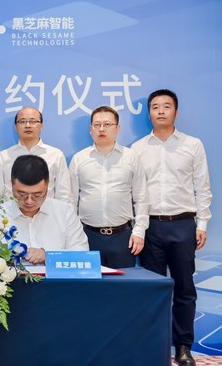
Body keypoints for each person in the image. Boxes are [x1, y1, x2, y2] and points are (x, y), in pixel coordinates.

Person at [131, 89, 212, 366]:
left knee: (185, 289)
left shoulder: (192, 145)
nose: (161, 111)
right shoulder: (138, 148)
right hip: (151, 227)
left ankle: (183, 347)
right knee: (154, 289)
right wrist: (139, 228)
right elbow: (135, 192)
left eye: (166, 106)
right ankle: (155, 345)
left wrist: (202, 223)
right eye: (155, 107)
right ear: (149, 114)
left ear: (176, 111)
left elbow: (202, 187)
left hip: (183, 225)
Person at [69, 106, 148, 269]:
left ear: (117, 128)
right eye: (97, 125)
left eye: (107, 124)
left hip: (123, 237)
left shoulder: (131, 157)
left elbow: (141, 198)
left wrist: (139, 231)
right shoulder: (79, 159)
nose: (102, 129)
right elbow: (70, 200)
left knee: (123, 283)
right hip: (87, 236)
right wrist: (73, 235)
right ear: (90, 129)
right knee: (89, 283)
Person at [2, 155, 88, 265]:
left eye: (37, 195)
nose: (29, 201)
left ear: (47, 188)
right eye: (22, 194)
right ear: (12, 186)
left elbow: (82, 254)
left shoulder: (64, 212)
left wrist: (48, 256)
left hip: (54, 276)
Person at [0, 107, 72, 203]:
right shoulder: (3, 156)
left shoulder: (56, 155)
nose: (28, 125)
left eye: (33, 121)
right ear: (16, 127)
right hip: (11, 211)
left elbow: (64, 194)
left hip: (48, 211)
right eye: (22, 122)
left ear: (41, 126)